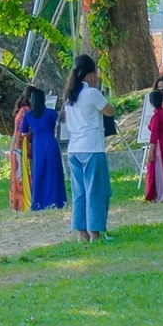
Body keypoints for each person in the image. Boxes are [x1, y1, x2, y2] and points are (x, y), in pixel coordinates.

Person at [63, 53, 115, 242]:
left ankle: (81, 232)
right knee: (96, 191)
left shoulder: (70, 97)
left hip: (74, 148)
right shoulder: (91, 93)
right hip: (92, 147)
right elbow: (110, 110)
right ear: (90, 74)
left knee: (80, 192)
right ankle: (96, 233)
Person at [21, 87, 65, 210]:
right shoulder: (51, 113)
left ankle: (39, 200)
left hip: (38, 144)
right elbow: (57, 124)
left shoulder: (28, 115)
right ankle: (56, 199)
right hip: (51, 142)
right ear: (44, 99)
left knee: (39, 172)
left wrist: (33, 129)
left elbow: (23, 132)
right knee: (53, 171)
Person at [143, 81, 163, 203]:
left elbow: (154, 135)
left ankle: (161, 194)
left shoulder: (156, 116)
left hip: (159, 145)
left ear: (151, 103)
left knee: (158, 170)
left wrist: (151, 151)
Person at [8, 94, 31, 212]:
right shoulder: (27, 111)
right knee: (21, 175)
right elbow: (25, 131)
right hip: (22, 146)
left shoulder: (21, 111)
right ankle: (22, 202)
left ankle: (17, 204)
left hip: (16, 146)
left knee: (17, 175)